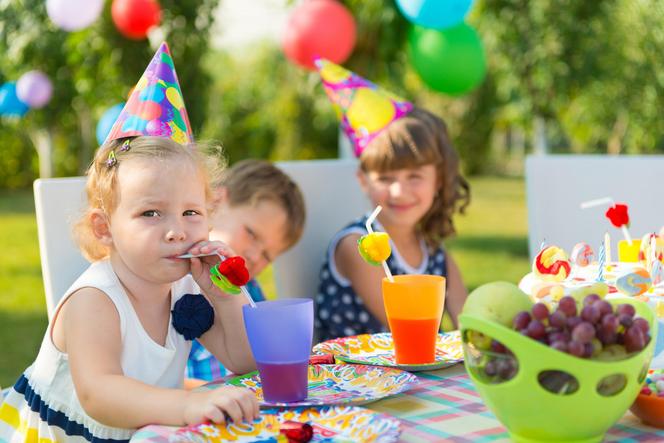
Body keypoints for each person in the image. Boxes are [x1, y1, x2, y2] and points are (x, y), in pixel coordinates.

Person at [0, 43, 259, 442]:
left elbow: (245, 362)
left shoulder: (186, 285)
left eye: (191, 213)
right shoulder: (96, 299)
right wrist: (185, 406)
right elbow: (99, 392)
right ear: (105, 229)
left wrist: (227, 298)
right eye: (151, 213)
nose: (177, 231)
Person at [314, 59, 471, 341]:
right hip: (355, 380)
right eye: (385, 178)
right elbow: (413, 331)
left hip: (417, 378)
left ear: (438, 179)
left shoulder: (434, 252)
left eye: (415, 176)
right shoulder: (359, 246)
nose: (399, 191)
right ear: (363, 179)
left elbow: (470, 324)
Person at [187, 159, 306, 384]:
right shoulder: (174, 276)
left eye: (267, 256)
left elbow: (260, 362)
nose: (253, 256)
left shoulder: (250, 292)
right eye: (251, 233)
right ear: (217, 201)